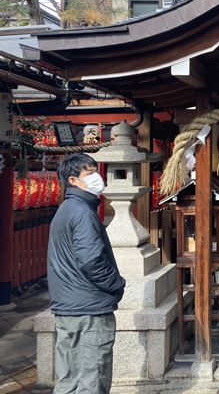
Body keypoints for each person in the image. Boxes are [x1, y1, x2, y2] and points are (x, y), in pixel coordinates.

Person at [48, 153, 126, 394]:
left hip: (68, 306)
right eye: (89, 173)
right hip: (89, 308)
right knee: (92, 378)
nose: (97, 178)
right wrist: (116, 284)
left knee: (69, 379)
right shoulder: (82, 212)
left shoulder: (66, 209)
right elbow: (92, 260)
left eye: (96, 171)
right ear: (73, 180)